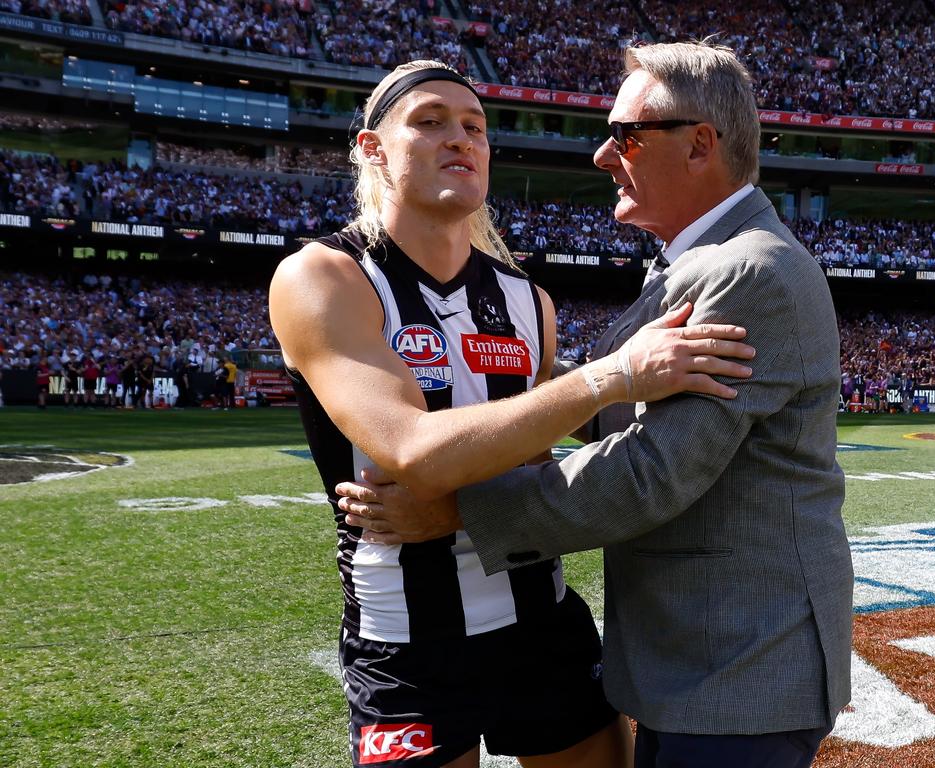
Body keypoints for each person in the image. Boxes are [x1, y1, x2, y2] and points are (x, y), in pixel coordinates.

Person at [339, 42, 853, 768]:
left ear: (700, 144)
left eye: (626, 134)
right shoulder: (693, 257)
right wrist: (542, 379)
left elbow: (651, 471)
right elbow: (625, 406)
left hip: (740, 666)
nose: (603, 156)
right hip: (704, 658)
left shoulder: (749, 268)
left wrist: (457, 511)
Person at [269, 59, 756, 768]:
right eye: (429, 122)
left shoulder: (528, 301)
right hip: (405, 639)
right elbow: (413, 448)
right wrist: (611, 377)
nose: (459, 139)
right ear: (372, 149)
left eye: (474, 128)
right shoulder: (324, 276)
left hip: (540, 622)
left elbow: (531, 459)